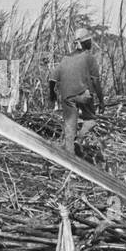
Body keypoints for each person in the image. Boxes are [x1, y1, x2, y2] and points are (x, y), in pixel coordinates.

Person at [48, 27, 105, 155]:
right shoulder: (88, 58)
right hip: (83, 95)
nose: (91, 43)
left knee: (69, 128)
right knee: (91, 121)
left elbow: (52, 78)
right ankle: (79, 140)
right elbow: (95, 81)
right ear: (84, 43)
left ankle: (70, 159)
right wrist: (101, 101)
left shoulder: (65, 58)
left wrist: (52, 94)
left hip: (67, 97)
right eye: (89, 41)